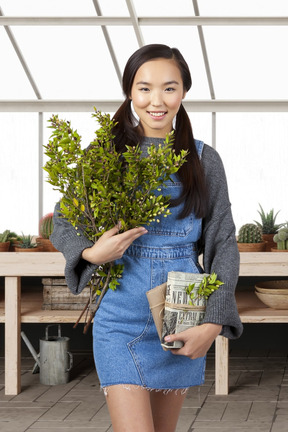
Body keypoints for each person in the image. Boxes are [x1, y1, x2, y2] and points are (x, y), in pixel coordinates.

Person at [51, 44, 243, 432]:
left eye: (169, 88)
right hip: (118, 317)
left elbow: (223, 241)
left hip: (181, 309)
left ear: (184, 92)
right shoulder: (104, 156)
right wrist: (92, 251)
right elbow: (62, 221)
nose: (157, 101)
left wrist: (212, 323)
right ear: (130, 92)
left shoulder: (205, 160)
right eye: (144, 88)